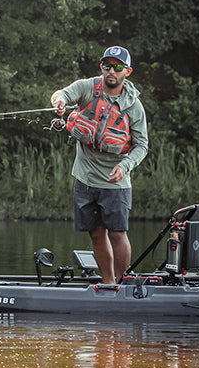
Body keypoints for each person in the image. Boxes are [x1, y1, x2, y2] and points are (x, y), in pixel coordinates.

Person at [50, 46, 149, 284]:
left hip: (116, 181)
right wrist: (60, 102)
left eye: (117, 67)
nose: (111, 71)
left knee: (117, 234)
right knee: (96, 234)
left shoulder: (133, 107)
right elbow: (60, 93)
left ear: (127, 72)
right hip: (85, 177)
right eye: (107, 66)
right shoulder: (87, 87)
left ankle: (122, 284)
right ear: (101, 67)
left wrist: (125, 166)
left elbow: (142, 145)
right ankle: (108, 285)